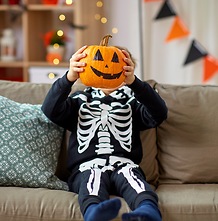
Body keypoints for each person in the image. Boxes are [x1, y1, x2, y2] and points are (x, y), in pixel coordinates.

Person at [42, 45, 168, 221]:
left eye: (119, 64)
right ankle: (95, 214)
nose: (108, 67)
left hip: (124, 164)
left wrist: (135, 83)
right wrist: (69, 78)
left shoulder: (133, 103)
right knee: (92, 180)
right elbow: (49, 110)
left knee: (134, 181)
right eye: (101, 62)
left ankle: (147, 213)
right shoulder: (80, 100)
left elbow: (159, 114)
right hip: (87, 166)